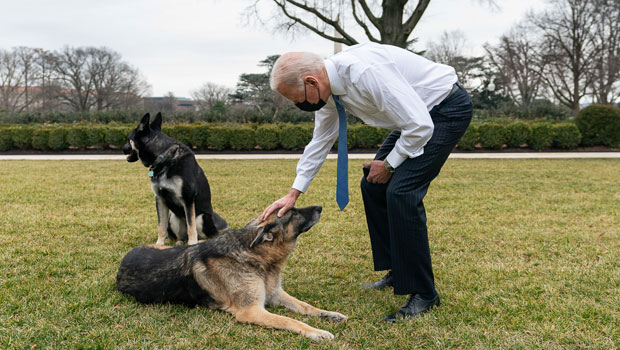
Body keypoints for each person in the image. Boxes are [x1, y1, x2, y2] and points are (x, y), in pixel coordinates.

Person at [259, 42, 472, 322]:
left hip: (443, 111)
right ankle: (399, 271)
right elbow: (321, 139)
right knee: (374, 186)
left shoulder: (365, 73)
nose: (298, 105)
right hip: (414, 118)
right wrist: (293, 194)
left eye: (296, 98)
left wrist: (390, 164)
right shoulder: (327, 91)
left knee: (401, 192)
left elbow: (421, 125)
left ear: (311, 81)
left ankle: (424, 293)